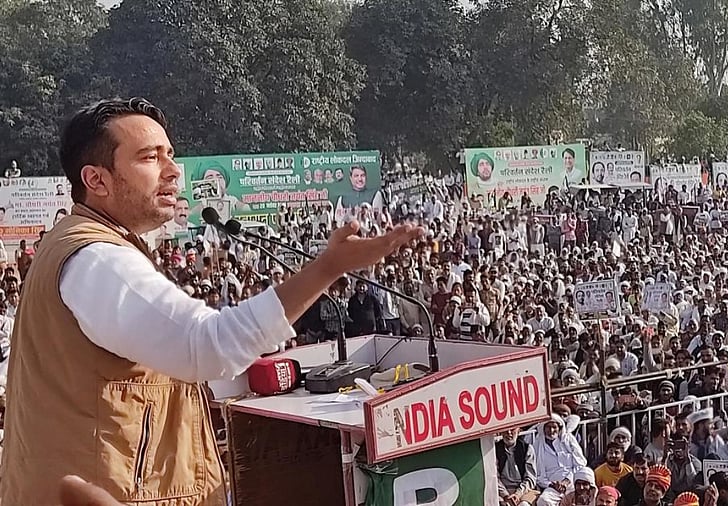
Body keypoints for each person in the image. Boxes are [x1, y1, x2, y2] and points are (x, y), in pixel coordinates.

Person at [0, 97, 423, 505]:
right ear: (97, 180)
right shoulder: (97, 258)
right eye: (149, 158)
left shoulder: (87, 246)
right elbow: (206, 347)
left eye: (170, 155)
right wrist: (326, 269)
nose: (173, 173)